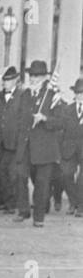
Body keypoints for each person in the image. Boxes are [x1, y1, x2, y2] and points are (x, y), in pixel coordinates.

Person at [17, 60, 65, 228]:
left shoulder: (53, 94)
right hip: (26, 146)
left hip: (45, 148)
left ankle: (39, 217)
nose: (33, 78)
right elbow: (20, 118)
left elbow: (61, 121)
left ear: (45, 77)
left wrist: (45, 119)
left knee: (41, 183)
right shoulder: (25, 95)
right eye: (31, 75)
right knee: (19, 175)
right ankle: (23, 209)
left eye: (37, 75)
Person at [0, 66, 27, 213]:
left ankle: (10, 202)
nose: (5, 83)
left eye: (8, 80)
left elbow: (23, 119)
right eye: (3, 80)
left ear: (16, 81)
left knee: (5, 171)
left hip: (12, 141)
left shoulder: (23, 96)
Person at [56, 77, 83, 216]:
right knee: (65, 175)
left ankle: (81, 206)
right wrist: (60, 150)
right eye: (78, 92)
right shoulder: (67, 109)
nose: (80, 96)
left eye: (82, 93)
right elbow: (61, 130)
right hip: (69, 148)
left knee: (81, 179)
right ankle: (74, 202)